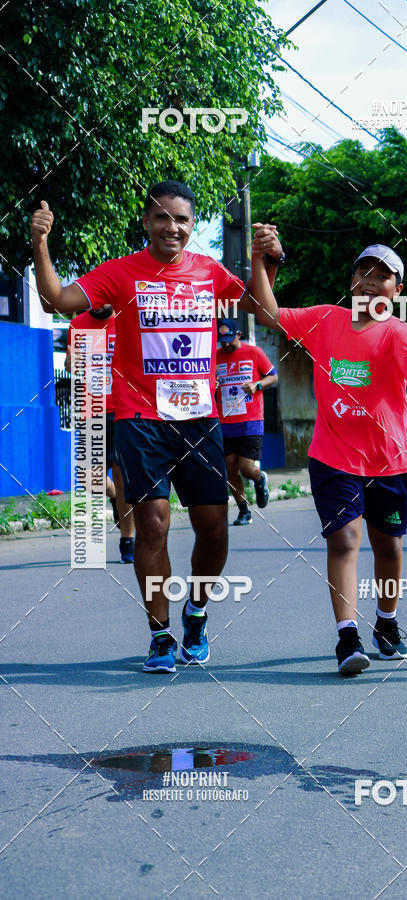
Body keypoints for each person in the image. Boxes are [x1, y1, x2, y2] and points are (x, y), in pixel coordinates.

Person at [32, 181, 283, 673]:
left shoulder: (208, 272)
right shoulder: (120, 273)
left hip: (199, 418)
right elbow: (57, 299)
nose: (173, 227)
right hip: (140, 417)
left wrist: (266, 260)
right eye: (162, 218)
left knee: (212, 529)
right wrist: (40, 243)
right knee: (152, 524)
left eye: (182, 220)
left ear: (192, 225)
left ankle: (196, 613)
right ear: (147, 222)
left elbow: (263, 310)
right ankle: (161, 635)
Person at [251, 237, 407, 675]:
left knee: (389, 547)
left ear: (397, 290)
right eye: (364, 274)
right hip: (333, 457)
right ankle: (347, 636)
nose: (371, 283)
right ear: (352, 281)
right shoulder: (324, 319)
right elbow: (267, 312)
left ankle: (388, 623)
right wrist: (261, 260)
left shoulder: (398, 332)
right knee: (343, 541)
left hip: (390, 459)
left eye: (383, 277)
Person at [66, 304, 136, 563]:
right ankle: (116, 498)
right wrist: (71, 362)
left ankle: (127, 541)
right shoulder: (77, 324)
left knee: (121, 473)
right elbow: (71, 366)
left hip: (122, 408)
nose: (98, 304)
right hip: (90, 410)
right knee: (88, 478)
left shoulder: (126, 320)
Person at [215, 319, 278, 525]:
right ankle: (244, 510)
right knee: (230, 467)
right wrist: (212, 384)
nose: (225, 345)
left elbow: (273, 377)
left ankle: (259, 479)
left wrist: (257, 385)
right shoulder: (216, 357)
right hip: (226, 422)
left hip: (250, 420)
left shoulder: (254, 352)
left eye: (228, 340)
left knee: (246, 467)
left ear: (238, 334)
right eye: (221, 340)